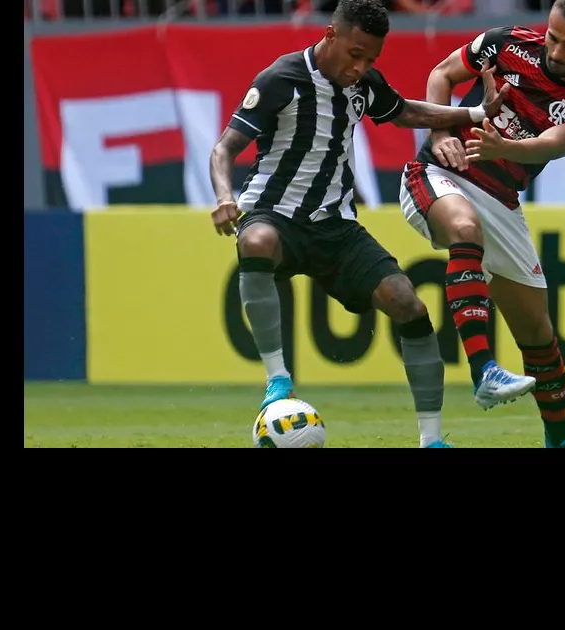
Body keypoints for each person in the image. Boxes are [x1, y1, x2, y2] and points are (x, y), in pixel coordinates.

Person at [209, 0, 526, 448]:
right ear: (330, 35)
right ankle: (278, 381)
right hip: (274, 214)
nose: (360, 67)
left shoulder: (363, 85)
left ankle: (431, 440)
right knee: (257, 240)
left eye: (370, 59)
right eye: (354, 54)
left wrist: (475, 114)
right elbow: (224, 149)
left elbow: (410, 113)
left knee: (409, 306)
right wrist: (226, 197)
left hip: (336, 226)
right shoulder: (281, 78)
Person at [397, 0, 565, 448]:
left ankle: (559, 438)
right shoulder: (506, 43)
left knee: (537, 332)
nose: (557, 50)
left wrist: (506, 150)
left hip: (501, 200)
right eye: (553, 36)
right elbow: (442, 74)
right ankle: (484, 371)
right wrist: (440, 134)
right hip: (438, 176)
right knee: (464, 229)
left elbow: (551, 144)